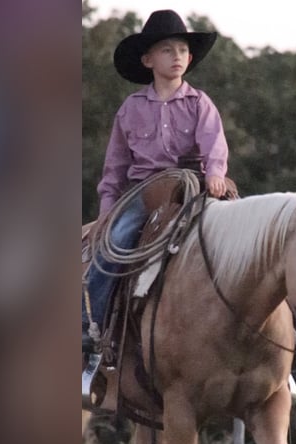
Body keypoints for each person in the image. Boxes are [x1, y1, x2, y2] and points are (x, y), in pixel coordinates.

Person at [82, 9, 229, 352]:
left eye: (181, 50)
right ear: (148, 59)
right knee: (110, 249)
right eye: (166, 50)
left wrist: (216, 175)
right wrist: (106, 211)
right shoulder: (131, 109)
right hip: (144, 193)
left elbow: (214, 143)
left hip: (192, 186)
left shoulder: (199, 103)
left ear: (190, 58)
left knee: (244, 243)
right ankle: (91, 327)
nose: (176, 56)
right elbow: (115, 167)